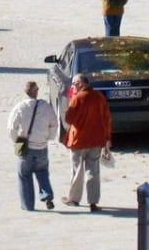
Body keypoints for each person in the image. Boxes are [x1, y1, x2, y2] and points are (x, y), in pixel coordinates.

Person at [62, 73, 112, 212]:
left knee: (77, 170)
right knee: (93, 171)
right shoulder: (99, 98)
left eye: (74, 84)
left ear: (80, 84)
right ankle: (93, 202)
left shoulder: (77, 98)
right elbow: (106, 119)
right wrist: (107, 138)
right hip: (96, 140)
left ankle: (74, 199)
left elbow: (69, 119)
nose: (72, 86)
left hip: (78, 140)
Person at [7, 81, 59, 211]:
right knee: (42, 172)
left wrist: (17, 141)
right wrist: (48, 138)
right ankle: (47, 195)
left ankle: (28, 205)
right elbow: (54, 124)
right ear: (36, 91)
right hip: (41, 146)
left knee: (24, 176)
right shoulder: (46, 106)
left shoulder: (20, 107)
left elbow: (11, 128)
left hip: (25, 146)